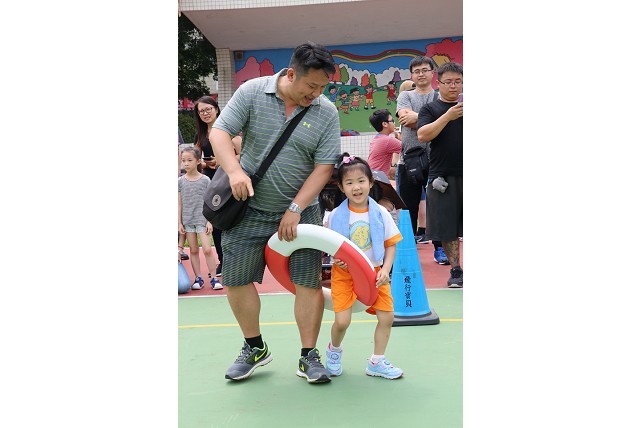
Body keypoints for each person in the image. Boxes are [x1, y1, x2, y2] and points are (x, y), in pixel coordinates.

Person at [209, 41, 341, 383]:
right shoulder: (252, 92)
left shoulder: (326, 111)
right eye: (311, 86)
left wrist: (296, 207)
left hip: (302, 214)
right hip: (249, 208)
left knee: (308, 282)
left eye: (322, 87)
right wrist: (234, 171)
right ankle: (254, 347)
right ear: (291, 74)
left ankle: (308, 355)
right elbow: (220, 132)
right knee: (236, 279)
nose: (316, 94)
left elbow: (324, 167)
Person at [325, 154, 404, 380]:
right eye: (349, 183)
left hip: (375, 273)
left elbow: (390, 245)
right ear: (341, 187)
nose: (356, 187)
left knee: (387, 317)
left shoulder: (380, 213)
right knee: (342, 321)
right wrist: (336, 258)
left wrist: (385, 270)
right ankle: (334, 351)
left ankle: (377, 361)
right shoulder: (335, 216)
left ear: (371, 182)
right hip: (344, 275)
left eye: (361, 181)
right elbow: (330, 245)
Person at [396, 56, 448, 264]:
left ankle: (439, 248)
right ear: (412, 75)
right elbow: (405, 118)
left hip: (437, 159)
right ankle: (407, 252)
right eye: (416, 71)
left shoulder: (439, 96)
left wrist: (418, 118)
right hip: (408, 160)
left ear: (432, 72)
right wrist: (435, 119)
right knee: (408, 209)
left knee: (437, 206)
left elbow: (445, 120)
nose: (421, 74)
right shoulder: (405, 95)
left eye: (425, 70)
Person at [417, 61, 464, 287]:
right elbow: (423, 135)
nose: (453, 86)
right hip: (442, 176)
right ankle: (456, 270)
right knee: (447, 228)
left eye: (458, 82)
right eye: (448, 82)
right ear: (439, 83)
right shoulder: (430, 109)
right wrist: (448, 116)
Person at [178, 147, 223, 291]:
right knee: (193, 250)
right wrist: (179, 223)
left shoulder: (205, 180)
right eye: (183, 160)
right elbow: (179, 204)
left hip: (202, 220)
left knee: (208, 249)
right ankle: (198, 278)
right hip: (188, 221)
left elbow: (210, 202)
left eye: (189, 160)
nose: (186, 163)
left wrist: (209, 221)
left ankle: (214, 278)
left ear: (198, 161)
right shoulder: (180, 181)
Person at [367, 109, 402, 177]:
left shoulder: (378, 138)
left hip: (372, 175)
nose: (394, 123)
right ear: (385, 124)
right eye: (392, 121)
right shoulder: (388, 140)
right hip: (378, 178)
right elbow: (408, 148)